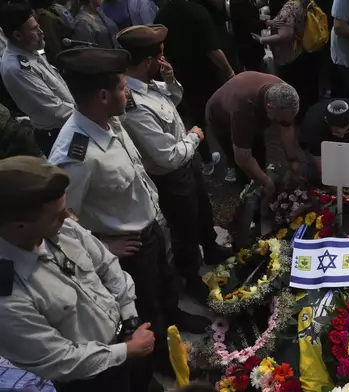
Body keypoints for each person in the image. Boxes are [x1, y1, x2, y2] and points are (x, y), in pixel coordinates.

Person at [47, 47, 209, 379]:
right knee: (147, 307)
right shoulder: (74, 154)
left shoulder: (111, 121)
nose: (128, 92)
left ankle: (177, 319)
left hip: (149, 225)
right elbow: (61, 217)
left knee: (166, 286)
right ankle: (165, 360)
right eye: (123, 87)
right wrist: (103, 244)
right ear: (103, 95)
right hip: (127, 245)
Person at [0, 156, 156, 392]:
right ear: (20, 226)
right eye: (57, 215)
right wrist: (127, 351)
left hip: (127, 336)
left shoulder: (58, 226)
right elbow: (59, 358)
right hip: (91, 378)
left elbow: (107, 264)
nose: (67, 218)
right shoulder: (7, 295)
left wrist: (130, 319)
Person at [117, 24, 230, 303]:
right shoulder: (133, 105)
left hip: (186, 162)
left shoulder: (149, 85)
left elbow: (173, 101)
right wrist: (194, 138)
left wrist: (170, 81)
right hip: (172, 174)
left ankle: (211, 248)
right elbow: (166, 157)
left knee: (202, 211)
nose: (163, 62)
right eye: (160, 58)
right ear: (146, 62)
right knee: (184, 227)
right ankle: (190, 277)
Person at [155, 0, 234, 175]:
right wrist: (229, 71)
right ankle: (232, 166)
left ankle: (206, 161)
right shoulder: (197, 12)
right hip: (208, 75)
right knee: (220, 118)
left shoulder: (162, 14)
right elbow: (212, 50)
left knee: (195, 120)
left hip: (181, 76)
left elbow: (162, 50)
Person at [0, 2, 75, 157]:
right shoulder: (17, 68)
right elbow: (54, 110)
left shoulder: (29, 48)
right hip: (60, 132)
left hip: (72, 120)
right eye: (34, 29)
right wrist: (88, 114)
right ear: (17, 35)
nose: (41, 31)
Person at [206, 71, 300, 188]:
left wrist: (293, 161)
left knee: (259, 151)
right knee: (239, 161)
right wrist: (265, 181)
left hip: (248, 105)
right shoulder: (243, 110)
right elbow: (242, 157)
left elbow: (286, 127)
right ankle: (246, 187)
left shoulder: (284, 92)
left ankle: (261, 175)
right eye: (281, 120)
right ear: (269, 107)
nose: (283, 123)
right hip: (220, 117)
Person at [253, 0, 318, 124]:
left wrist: (262, 39)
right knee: (306, 86)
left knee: (294, 87)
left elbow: (285, 35)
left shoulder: (286, 10)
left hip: (288, 56)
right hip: (301, 50)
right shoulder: (299, 3)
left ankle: (297, 118)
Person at [298, 98, 349, 182]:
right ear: (327, 122)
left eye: (346, 130)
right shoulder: (314, 128)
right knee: (315, 175)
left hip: (348, 139)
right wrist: (335, 186)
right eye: (337, 132)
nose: (341, 136)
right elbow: (320, 165)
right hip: (316, 139)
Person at [32, 0, 74, 65]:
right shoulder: (46, 15)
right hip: (64, 56)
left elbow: (54, 47)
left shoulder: (50, 13)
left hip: (66, 53)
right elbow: (53, 44)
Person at [229, 0, 266, 72]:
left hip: (252, 45)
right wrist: (266, 23)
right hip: (248, 47)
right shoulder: (237, 3)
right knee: (255, 72)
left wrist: (255, 6)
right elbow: (246, 22)